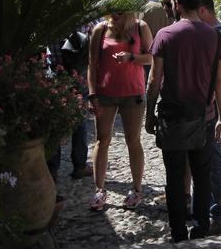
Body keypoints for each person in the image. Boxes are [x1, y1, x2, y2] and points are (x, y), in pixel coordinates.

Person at [146, 0, 221, 243]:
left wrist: (149, 114)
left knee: (174, 176)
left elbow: (154, 80)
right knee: (202, 174)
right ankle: (202, 226)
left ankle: (178, 231)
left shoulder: (165, 35)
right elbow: (220, 82)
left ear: (178, 5)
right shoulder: (215, 36)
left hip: (172, 118)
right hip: (204, 117)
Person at [87, 11, 154, 211]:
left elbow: (151, 58)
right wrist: (92, 95)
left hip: (133, 93)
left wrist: (131, 57)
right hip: (105, 92)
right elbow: (92, 64)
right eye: (111, 11)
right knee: (102, 139)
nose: (114, 16)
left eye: (119, 12)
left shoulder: (140, 27)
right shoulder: (99, 29)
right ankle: (99, 190)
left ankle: (136, 189)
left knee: (133, 141)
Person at [198, 0, 221, 234]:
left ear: (202, 11)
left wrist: (220, 113)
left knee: (214, 158)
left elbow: (217, 78)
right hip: (216, 103)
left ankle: (218, 210)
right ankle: (209, 204)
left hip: (217, 104)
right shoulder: (219, 32)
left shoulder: (218, 34)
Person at [47, 31, 92, 180]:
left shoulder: (48, 22)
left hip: (54, 76)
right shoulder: (82, 19)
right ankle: (79, 165)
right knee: (80, 120)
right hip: (77, 76)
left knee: (54, 123)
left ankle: (52, 169)